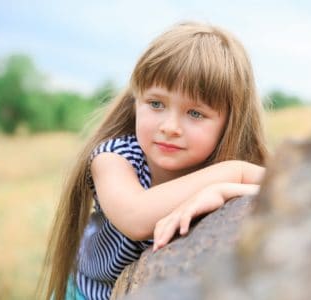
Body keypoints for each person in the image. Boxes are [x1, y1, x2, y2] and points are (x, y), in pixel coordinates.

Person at [38, 21, 268, 300]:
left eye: (195, 113)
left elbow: (288, 192)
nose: (170, 126)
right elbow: (136, 218)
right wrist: (235, 173)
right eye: (156, 104)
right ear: (137, 102)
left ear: (229, 124)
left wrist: (228, 190)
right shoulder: (114, 158)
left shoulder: (218, 171)